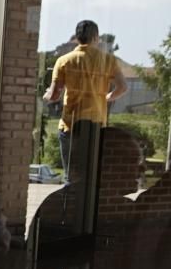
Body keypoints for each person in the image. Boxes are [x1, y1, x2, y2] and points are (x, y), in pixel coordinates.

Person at [43, 19, 128, 180]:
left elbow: (54, 96)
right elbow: (123, 87)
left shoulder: (64, 61)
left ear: (77, 37)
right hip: (96, 126)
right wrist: (107, 97)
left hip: (71, 125)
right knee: (92, 176)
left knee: (71, 177)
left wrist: (46, 93)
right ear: (96, 37)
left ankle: (70, 203)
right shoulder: (108, 61)